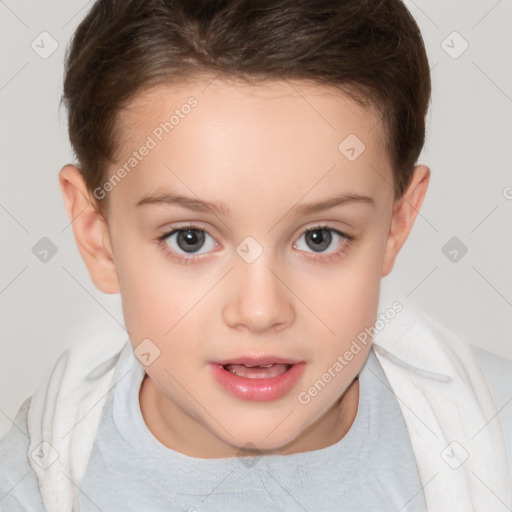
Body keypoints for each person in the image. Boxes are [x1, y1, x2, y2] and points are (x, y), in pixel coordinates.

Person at [1, 1, 510, 511]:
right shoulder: (26, 486)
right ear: (97, 235)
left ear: (397, 224)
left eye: (320, 238)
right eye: (190, 239)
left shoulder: (495, 432)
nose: (261, 311)